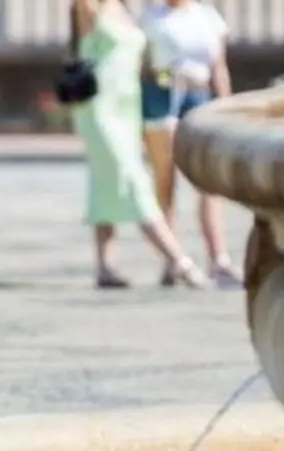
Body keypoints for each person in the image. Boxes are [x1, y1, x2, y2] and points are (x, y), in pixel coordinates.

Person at [69, 0, 210, 289]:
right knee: (133, 180)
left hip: (128, 108)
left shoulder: (129, 10)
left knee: (105, 182)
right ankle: (179, 260)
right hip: (100, 108)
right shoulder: (90, 7)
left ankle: (105, 267)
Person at [139, 0, 242, 289]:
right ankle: (172, 259)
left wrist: (226, 108)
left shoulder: (208, 17)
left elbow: (218, 67)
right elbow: (140, 66)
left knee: (207, 183)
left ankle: (218, 258)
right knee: (165, 178)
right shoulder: (152, 18)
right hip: (163, 94)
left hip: (199, 94)